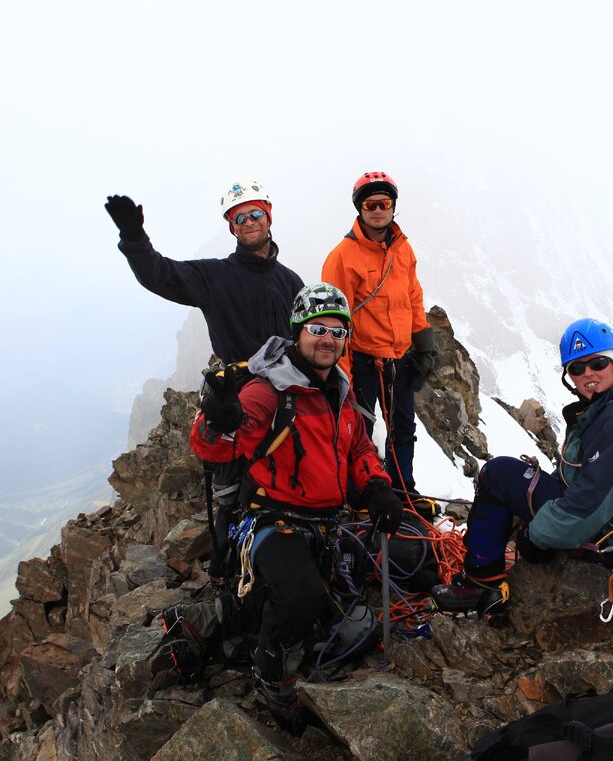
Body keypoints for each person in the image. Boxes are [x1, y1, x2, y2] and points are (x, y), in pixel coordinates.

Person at [182, 282, 404, 733]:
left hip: (324, 523)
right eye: (317, 328)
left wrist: (380, 488)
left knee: (338, 598)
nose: (327, 339)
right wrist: (217, 419)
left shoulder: (338, 390)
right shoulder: (269, 393)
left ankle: (220, 616)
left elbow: (359, 449)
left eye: (337, 331)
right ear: (298, 331)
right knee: (301, 596)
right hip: (271, 520)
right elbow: (215, 450)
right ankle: (273, 676)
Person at [432, 318, 613, 617]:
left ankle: (480, 586)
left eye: (598, 363)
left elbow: (589, 504)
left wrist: (535, 536)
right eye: (577, 368)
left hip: (608, 537)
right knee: (511, 480)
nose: (588, 374)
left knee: (498, 475)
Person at [104, 180, 304, 365]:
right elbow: (158, 274)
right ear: (232, 227)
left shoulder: (291, 282)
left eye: (255, 214)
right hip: (242, 392)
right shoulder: (213, 276)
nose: (249, 222)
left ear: (268, 218)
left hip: (292, 388)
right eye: (239, 218)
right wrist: (134, 238)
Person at [321, 171, 435, 492]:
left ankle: (403, 491)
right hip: (361, 361)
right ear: (360, 209)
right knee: (357, 429)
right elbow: (334, 322)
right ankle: (360, 494)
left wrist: (424, 344)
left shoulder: (403, 249)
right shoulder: (342, 257)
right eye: (370, 204)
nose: (378, 210)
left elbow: (413, 296)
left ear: (393, 206)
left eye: (384, 203)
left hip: (399, 359)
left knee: (403, 429)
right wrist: (340, 377)